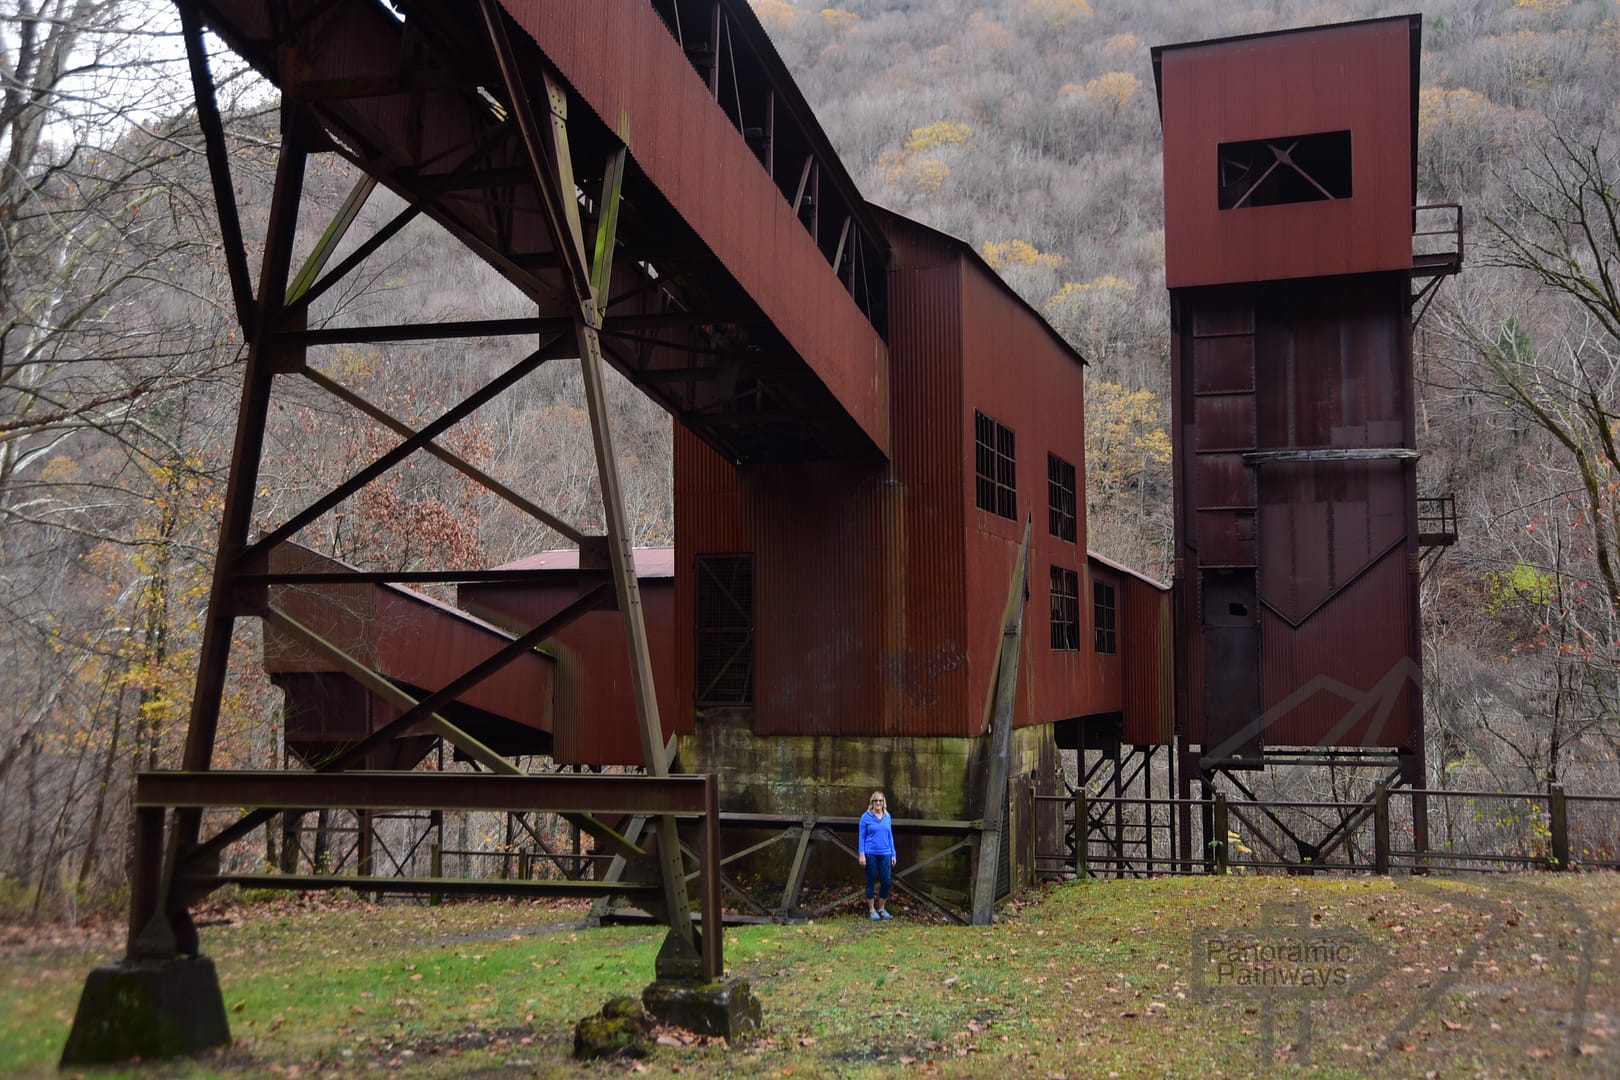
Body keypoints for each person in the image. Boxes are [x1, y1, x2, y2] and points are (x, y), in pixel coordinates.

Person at [858, 790, 897, 920]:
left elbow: (890, 836)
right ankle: (872, 910)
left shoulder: (887, 816)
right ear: (872, 803)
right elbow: (861, 837)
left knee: (886, 881)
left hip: (885, 854)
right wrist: (862, 854)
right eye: (876, 800)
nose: (878, 803)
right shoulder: (866, 817)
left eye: (880, 800)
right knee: (871, 881)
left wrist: (893, 853)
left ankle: (881, 908)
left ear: (883, 802)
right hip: (870, 854)